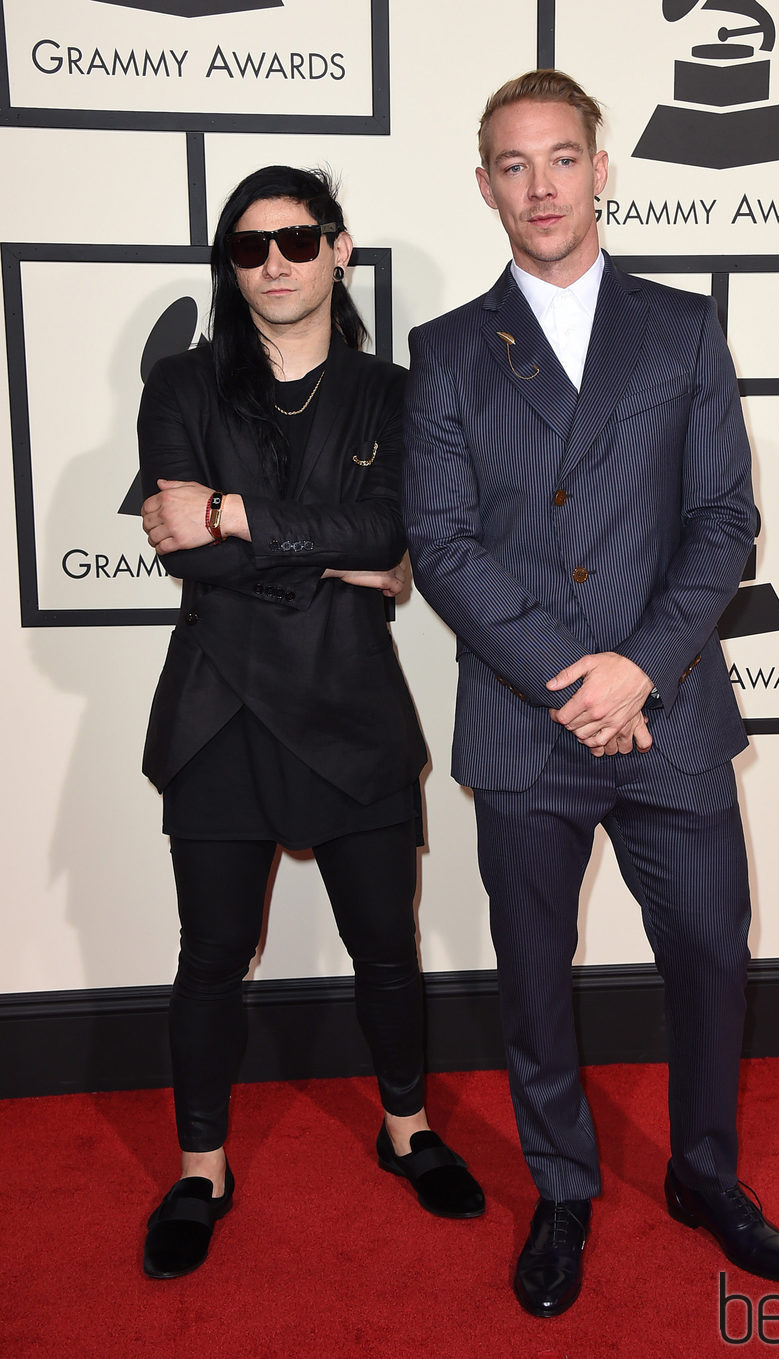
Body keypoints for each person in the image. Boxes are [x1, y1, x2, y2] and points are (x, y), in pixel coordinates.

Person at [401, 72, 779, 1318]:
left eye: (561, 159)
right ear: (483, 186)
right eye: (512, 166)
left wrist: (639, 668)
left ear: (600, 168)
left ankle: (702, 1174)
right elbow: (444, 541)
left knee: (707, 958)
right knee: (532, 978)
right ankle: (563, 1191)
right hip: (528, 724)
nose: (540, 187)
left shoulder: (681, 328)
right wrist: (574, 684)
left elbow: (720, 518)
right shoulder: (447, 352)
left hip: (670, 705)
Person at [137, 164, 484, 1281]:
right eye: (248, 247)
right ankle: (201, 1167)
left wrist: (241, 517)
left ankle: (405, 1131)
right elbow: (184, 542)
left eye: (295, 241)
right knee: (210, 957)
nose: (273, 264)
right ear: (228, 265)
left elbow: (395, 535)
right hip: (216, 709)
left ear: (339, 249)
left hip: (352, 706)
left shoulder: (396, 391)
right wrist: (337, 553)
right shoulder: (183, 385)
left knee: (387, 947)